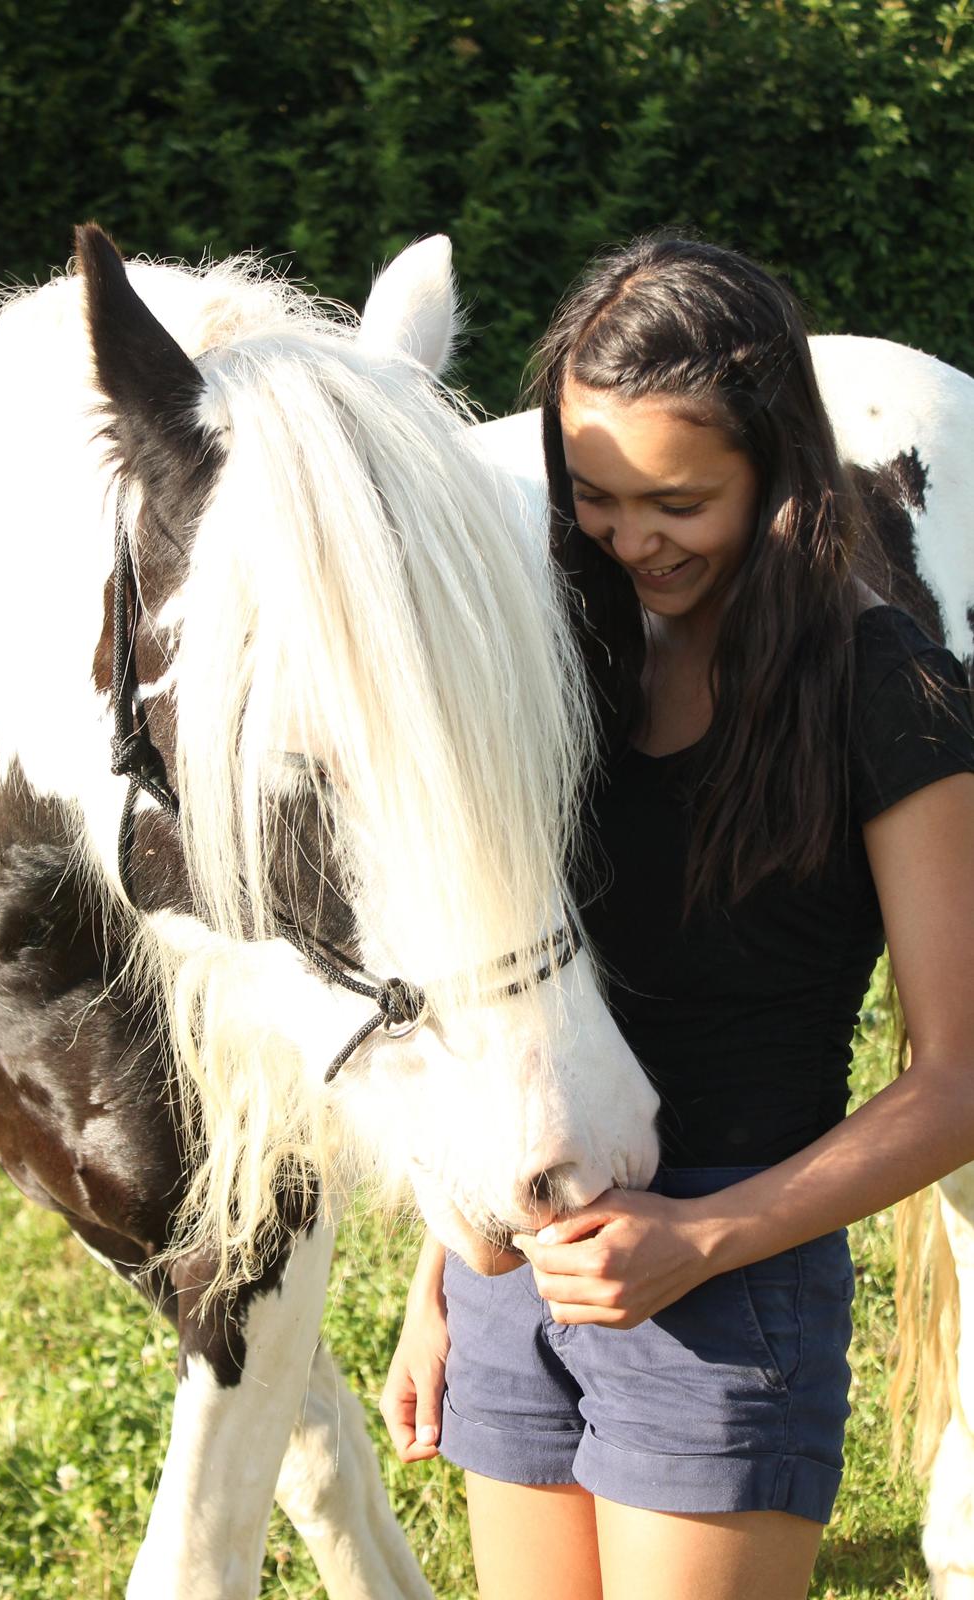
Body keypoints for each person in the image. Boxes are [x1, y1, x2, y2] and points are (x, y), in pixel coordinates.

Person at [379, 235, 974, 1600]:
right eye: (594, 496)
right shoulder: (554, 663)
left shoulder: (881, 685)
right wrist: (440, 1283)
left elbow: (959, 1078)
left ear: (776, 472)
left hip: (728, 1279)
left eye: (679, 502)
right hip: (517, 1270)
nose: (633, 538)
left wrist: (704, 1239)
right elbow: (515, 990)